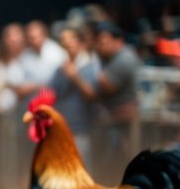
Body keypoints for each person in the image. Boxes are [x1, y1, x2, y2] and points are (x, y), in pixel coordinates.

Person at [48, 26, 100, 164]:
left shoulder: (90, 66)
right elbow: (52, 94)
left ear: (80, 42)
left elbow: (92, 95)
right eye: (64, 41)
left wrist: (75, 77)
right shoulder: (60, 68)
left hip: (83, 128)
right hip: (63, 128)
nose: (68, 43)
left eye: (71, 39)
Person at [94, 22, 141, 172]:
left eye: (105, 40)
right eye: (99, 40)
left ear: (118, 40)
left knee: (122, 164)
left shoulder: (124, 58)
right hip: (116, 121)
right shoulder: (111, 59)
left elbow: (107, 87)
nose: (101, 44)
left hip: (124, 122)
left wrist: (96, 66)